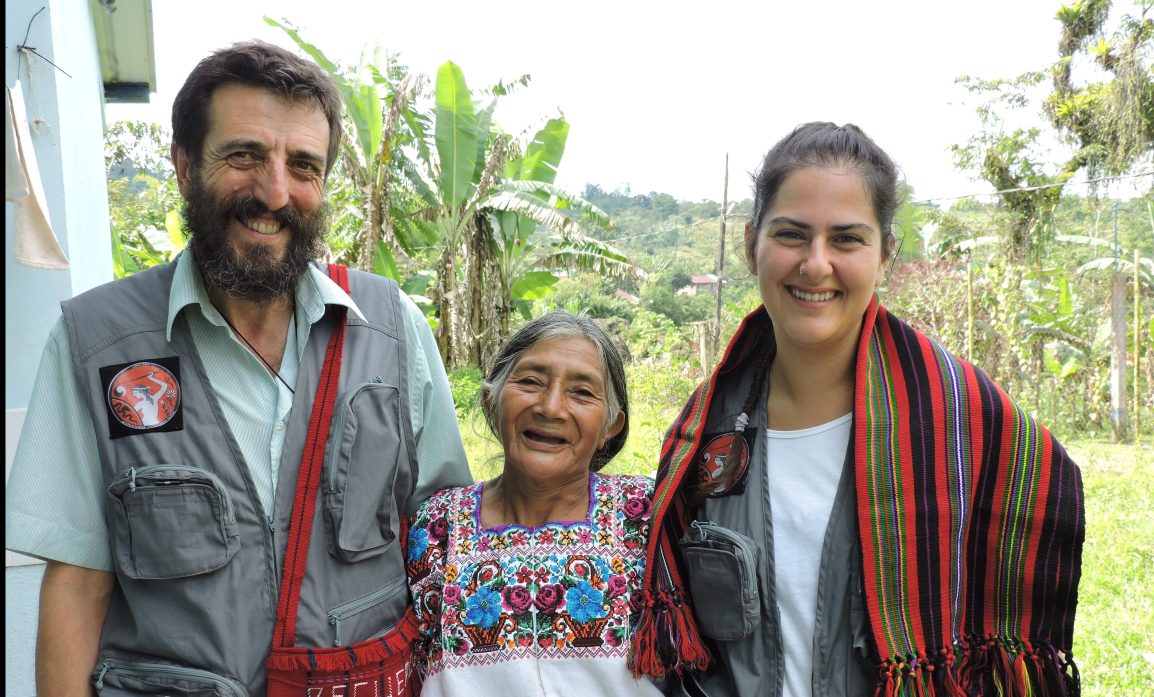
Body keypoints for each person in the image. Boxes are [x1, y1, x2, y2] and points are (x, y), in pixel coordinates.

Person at [4, 41, 472, 696]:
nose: (274, 191)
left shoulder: (392, 330)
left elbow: (443, 538)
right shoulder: (97, 343)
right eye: (244, 155)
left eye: (303, 166)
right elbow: (78, 585)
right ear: (184, 165)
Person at [627, 122, 1085, 697]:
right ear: (751, 244)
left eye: (846, 239)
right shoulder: (706, 429)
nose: (816, 265)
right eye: (792, 234)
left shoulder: (962, 419)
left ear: (884, 254)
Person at [405, 310, 662, 696]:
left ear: (612, 426)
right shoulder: (436, 526)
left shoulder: (647, 514)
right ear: (491, 401)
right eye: (530, 381)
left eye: (581, 392)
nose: (551, 407)